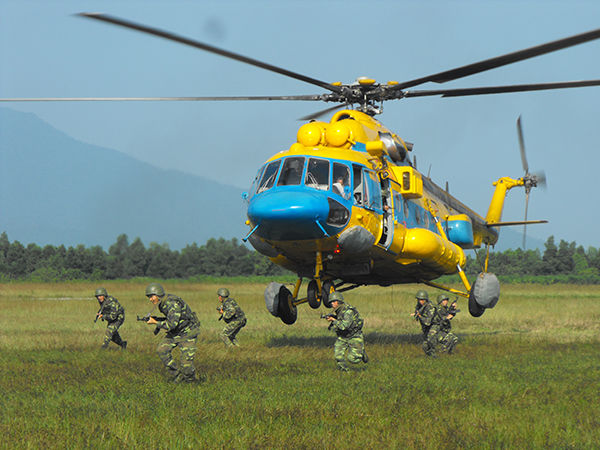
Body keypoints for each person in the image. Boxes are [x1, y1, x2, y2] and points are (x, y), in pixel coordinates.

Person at [145, 282, 201, 383]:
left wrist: (156, 322)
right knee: (162, 350)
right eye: (149, 297)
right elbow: (172, 319)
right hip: (176, 332)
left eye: (151, 296)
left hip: (188, 332)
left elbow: (171, 324)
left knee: (186, 366)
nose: (150, 299)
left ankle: (193, 383)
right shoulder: (162, 303)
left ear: (158, 294)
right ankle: (178, 375)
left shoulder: (172, 303)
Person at [326, 291, 368, 371]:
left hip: (354, 336)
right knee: (338, 355)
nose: (332, 304)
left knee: (353, 359)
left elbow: (344, 326)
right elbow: (341, 319)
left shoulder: (348, 311)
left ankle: (361, 352)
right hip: (343, 336)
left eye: (334, 302)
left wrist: (334, 320)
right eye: (331, 302)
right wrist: (333, 317)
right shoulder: (339, 310)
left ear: (338, 301)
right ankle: (345, 371)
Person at [410, 289, 437, 357]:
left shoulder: (430, 307)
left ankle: (435, 355)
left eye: (422, 300)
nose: (420, 301)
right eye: (419, 300)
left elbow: (428, 322)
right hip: (426, 327)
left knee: (430, 340)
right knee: (425, 346)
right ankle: (431, 357)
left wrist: (420, 316)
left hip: (434, 325)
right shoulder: (420, 306)